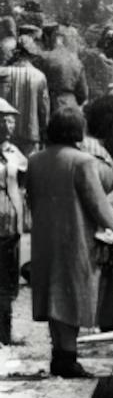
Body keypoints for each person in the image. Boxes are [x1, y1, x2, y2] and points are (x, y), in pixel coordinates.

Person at [26, 105, 113, 377]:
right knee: (72, 296)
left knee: (52, 295)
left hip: (44, 237)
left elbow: (32, 196)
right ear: (78, 131)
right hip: (75, 236)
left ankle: (59, 355)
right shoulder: (83, 161)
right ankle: (68, 359)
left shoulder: (35, 160)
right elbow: (97, 203)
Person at [0, 98, 26, 345]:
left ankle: (5, 333)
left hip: (10, 221)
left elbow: (27, 177)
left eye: (10, 120)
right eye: (3, 120)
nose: (8, 125)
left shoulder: (13, 152)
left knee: (8, 279)